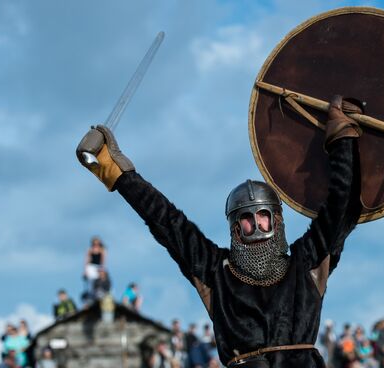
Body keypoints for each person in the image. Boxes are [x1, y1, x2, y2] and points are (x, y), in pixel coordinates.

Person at [76, 95, 362, 367]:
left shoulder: (306, 264)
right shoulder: (216, 273)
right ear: (235, 228)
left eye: (263, 215)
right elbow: (165, 220)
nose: (257, 224)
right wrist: (118, 173)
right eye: (247, 218)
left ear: (277, 220)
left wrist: (342, 136)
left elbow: (342, 205)